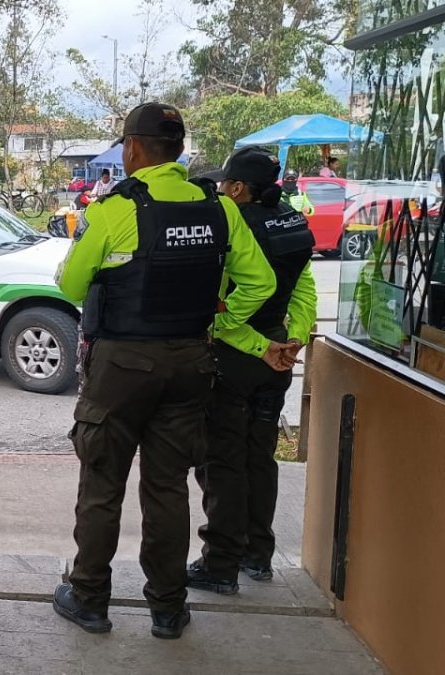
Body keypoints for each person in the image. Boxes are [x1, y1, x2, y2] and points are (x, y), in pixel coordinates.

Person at [51, 103, 276, 640]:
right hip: (190, 363)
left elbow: (70, 286)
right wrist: (222, 316)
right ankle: (168, 609)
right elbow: (261, 282)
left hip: (123, 366)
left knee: (103, 483)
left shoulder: (115, 209)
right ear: (178, 149)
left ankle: (88, 598)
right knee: (168, 487)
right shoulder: (218, 207)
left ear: (132, 148)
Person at [188, 147, 316, 594]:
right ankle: (257, 555)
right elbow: (304, 293)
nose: (220, 189)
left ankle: (220, 565)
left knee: (222, 460)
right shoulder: (293, 222)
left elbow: (231, 307)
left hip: (240, 356)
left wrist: (256, 343)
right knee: (259, 456)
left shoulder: (233, 225)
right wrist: (291, 342)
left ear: (239, 188)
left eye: (225, 183)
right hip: (277, 360)